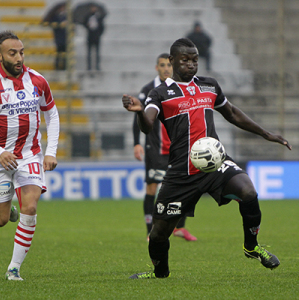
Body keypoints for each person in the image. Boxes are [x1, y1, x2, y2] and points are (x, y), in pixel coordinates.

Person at [122, 38, 291, 279]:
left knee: (249, 193)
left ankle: (251, 246)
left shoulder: (209, 86)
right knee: (159, 234)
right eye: (185, 60)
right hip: (182, 171)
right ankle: (159, 273)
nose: (191, 64)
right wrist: (139, 112)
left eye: (195, 60)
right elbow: (148, 125)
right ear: (171, 61)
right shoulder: (159, 93)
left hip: (216, 164)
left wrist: (266, 134)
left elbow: (231, 113)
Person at [0, 31, 60, 280]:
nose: (19, 58)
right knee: (2, 220)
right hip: (2, 158)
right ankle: (8, 210)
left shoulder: (37, 80)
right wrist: (1, 152)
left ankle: (14, 269)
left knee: (31, 207)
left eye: (21, 52)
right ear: (0, 55)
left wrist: (50, 151)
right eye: (12, 53)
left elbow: (52, 114)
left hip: (29, 155)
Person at [133, 53, 197, 242]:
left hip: (179, 148)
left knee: (186, 187)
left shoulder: (180, 87)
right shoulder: (148, 90)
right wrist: (137, 143)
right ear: (157, 68)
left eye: (169, 65)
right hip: (156, 148)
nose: (166, 68)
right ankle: (149, 231)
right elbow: (137, 117)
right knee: (152, 189)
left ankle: (180, 228)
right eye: (163, 65)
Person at [83, 4, 107, 71]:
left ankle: (97, 66)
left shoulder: (99, 17)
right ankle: (89, 66)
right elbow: (84, 24)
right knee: (89, 52)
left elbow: (102, 27)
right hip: (90, 37)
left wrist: (99, 34)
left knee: (97, 52)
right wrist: (87, 25)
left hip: (96, 37)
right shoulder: (87, 16)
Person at [49, 4, 67, 70]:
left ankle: (64, 66)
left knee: (65, 53)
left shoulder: (67, 16)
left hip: (65, 37)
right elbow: (52, 23)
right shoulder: (55, 16)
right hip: (58, 36)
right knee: (59, 52)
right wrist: (60, 24)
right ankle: (57, 66)